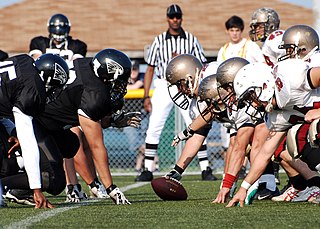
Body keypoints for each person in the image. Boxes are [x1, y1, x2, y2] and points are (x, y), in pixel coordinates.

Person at [36, 48, 137, 204]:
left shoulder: (87, 66)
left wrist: (113, 121)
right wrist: (111, 187)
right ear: (108, 75)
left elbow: (96, 120)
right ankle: (16, 189)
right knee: (54, 182)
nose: (121, 85)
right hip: (35, 122)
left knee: (71, 144)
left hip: (47, 121)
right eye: (120, 80)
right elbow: (96, 146)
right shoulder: (94, 94)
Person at [135, 4, 216, 181]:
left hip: (187, 85)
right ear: (167, 18)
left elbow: (202, 65)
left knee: (196, 122)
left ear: (181, 18)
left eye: (177, 16)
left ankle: (205, 167)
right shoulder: (158, 41)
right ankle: (148, 168)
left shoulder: (191, 40)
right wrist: (146, 95)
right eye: (172, 17)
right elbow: (150, 68)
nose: (175, 20)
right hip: (164, 84)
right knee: (154, 125)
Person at [226, 59, 320, 207]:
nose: (254, 103)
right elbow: (264, 154)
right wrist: (244, 188)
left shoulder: (292, 78)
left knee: (310, 131)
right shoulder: (277, 114)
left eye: (251, 96)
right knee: (293, 142)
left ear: (264, 85)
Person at [0, 53, 70, 208]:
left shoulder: (24, 61)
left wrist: (12, 131)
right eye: (54, 87)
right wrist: (36, 189)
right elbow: (28, 144)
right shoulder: (33, 89)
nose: (53, 92)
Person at [216, 15, 266, 180]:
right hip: (231, 99)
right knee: (231, 140)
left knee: (251, 138)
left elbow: (262, 67)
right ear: (227, 31)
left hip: (249, 97)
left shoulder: (250, 47)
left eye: (237, 30)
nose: (235, 34)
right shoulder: (223, 50)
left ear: (241, 31)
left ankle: (262, 174)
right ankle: (229, 175)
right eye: (232, 30)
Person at [160, 54, 222, 181]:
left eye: (179, 85)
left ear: (190, 78)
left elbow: (211, 110)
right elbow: (198, 136)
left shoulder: (212, 75)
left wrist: (187, 131)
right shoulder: (196, 104)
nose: (179, 91)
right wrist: (177, 170)